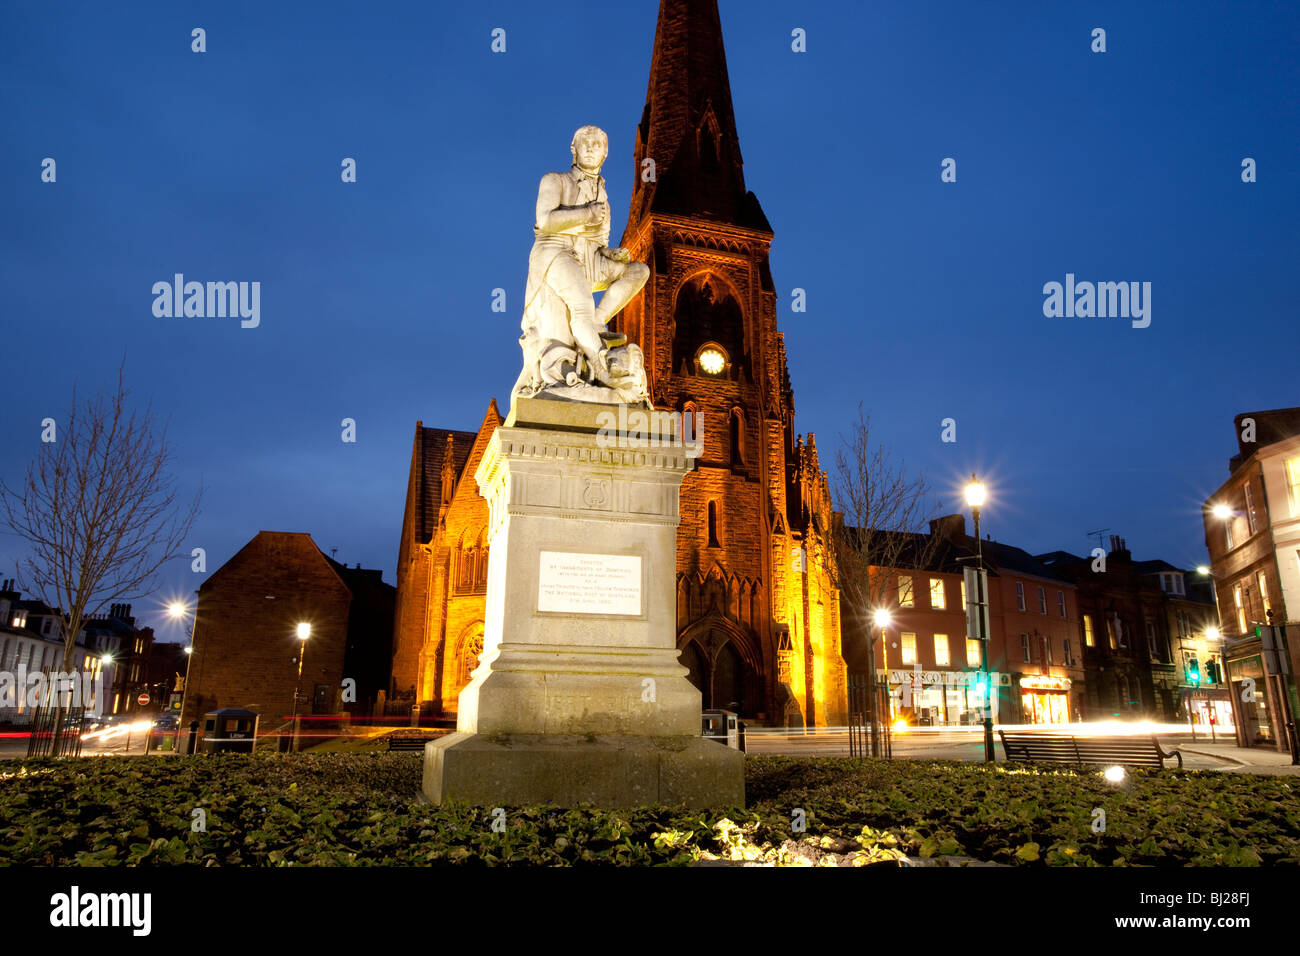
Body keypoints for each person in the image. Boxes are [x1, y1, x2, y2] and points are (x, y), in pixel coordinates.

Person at [513, 126, 650, 400]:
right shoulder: (554, 180)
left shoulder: (603, 193)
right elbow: (545, 222)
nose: (590, 147)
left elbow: (596, 241)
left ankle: (595, 325)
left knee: (639, 270)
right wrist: (587, 213)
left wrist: (611, 255)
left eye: (597, 144)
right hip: (556, 251)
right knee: (581, 306)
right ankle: (602, 369)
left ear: (605, 153)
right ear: (573, 149)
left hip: (590, 258)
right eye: (584, 143)